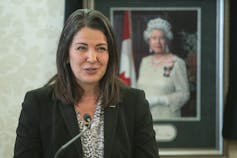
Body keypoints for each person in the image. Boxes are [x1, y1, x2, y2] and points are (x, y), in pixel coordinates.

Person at [13, 9, 159, 158]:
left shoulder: (134, 102)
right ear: (66, 55)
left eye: (101, 48)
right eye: (81, 48)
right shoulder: (38, 104)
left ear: (110, 55)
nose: (92, 58)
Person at [137, 17, 190, 120]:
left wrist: (159, 100)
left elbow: (184, 94)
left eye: (161, 38)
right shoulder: (145, 62)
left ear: (167, 40)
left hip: (167, 118)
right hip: (144, 119)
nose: (158, 42)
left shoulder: (176, 63)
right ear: (149, 41)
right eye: (154, 38)